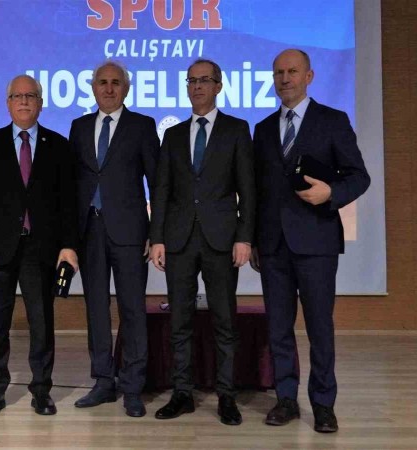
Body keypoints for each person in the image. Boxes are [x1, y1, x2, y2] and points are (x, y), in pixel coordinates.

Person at [251, 49, 370, 433]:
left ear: (309, 76)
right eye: (279, 72)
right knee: (278, 328)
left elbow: (359, 176)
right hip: (272, 246)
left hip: (317, 242)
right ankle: (286, 399)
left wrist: (331, 193)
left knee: (320, 328)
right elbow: (257, 191)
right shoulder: (263, 129)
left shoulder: (333, 121)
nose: (285, 78)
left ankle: (323, 404)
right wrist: (253, 239)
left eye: (292, 71)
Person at [149, 59, 255, 424]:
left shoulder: (237, 130)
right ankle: (182, 393)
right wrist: (157, 237)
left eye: (204, 80)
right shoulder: (173, 135)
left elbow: (248, 189)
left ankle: (226, 396)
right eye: (191, 81)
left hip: (221, 239)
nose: (197, 86)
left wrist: (244, 237)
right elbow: (161, 190)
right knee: (180, 321)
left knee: (225, 321)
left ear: (218, 86)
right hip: (178, 240)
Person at [0, 75, 79, 417]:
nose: (24, 101)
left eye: (31, 96)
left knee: (41, 323)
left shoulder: (58, 145)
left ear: (41, 103)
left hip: (41, 250)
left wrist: (68, 245)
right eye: (17, 96)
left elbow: (68, 202)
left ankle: (41, 391)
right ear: (8, 104)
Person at [69, 60, 159, 418]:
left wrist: (156, 233)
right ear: (93, 88)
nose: (108, 88)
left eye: (115, 83)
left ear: (126, 88)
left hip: (131, 233)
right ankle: (103, 381)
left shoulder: (142, 126)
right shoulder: (78, 127)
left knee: (132, 310)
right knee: (96, 308)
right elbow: (71, 184)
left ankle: (133, 387)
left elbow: (157, 182)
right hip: (88, 232)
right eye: (102, 82)